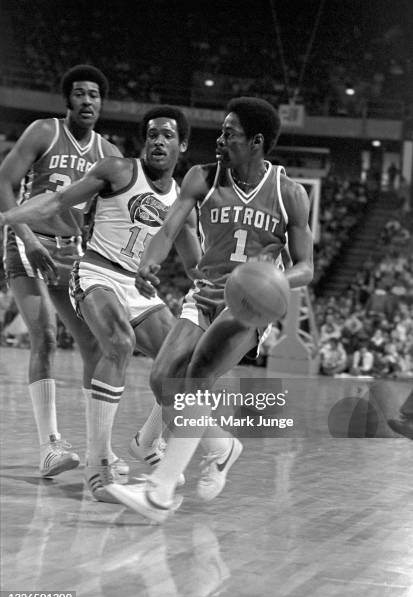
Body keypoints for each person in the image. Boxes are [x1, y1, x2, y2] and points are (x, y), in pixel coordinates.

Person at [105, 96, 314, 522]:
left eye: (229, 133)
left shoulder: (289, 193)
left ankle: (160, 492)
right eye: (221, 131)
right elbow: (170, 226)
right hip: (202, 296)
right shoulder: (202, 176)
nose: (219, 139)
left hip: (248, 307)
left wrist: (276, 280)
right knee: (164, 381)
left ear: (255, 141)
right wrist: (152, 259)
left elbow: (307, 267)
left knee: (196, 379)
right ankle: (221, 447)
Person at [0, 105, 201, 501]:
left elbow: (196, 265)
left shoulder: (181, 200)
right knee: (119, 343)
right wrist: (9, 217)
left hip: (137, 287)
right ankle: (97, 468)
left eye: (167, 135)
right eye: (152, 134)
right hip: (94, 272)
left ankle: (146, 441)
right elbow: (56, 202)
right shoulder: (118, 170)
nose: (158, 141)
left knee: (182, 363)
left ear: (183, 144)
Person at [0, 65, 122, 478]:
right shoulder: (43, 132)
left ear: (102, 104)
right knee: (46, 336)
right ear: (67, 100)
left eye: (94, 95)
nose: (87, 101)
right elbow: (4, 183)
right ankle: (50, 446)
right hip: (27, 238)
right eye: (80, 94)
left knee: (93, 342)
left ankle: (98, 449)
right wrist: (30, 242)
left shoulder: (109, 155)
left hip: (72, 251)